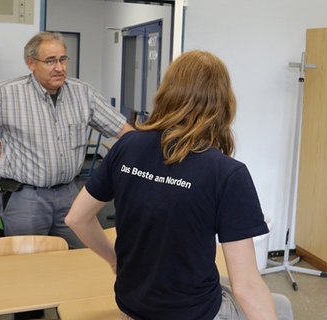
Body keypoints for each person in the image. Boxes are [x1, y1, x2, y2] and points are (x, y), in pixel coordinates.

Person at [65, 50, 293, 320]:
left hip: (134, 306)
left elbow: (77, 218)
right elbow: (246, 286)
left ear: (167, 92)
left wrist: (114, 259)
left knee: (226, 284)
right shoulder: (227, 173)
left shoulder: (127, 146)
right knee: (279, 305)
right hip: (191, 313)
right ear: (223, 103)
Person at [0, 31, 133, 250]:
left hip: (69, 195)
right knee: (26, 267)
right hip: (26, 198)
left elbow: (124, 131)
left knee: (82, 259)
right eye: (51, 61)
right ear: (31, 63)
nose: (59, 67)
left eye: (63, 59)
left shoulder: (83, 94)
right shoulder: (8, 94)